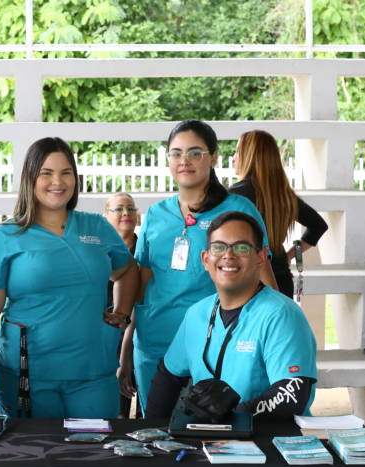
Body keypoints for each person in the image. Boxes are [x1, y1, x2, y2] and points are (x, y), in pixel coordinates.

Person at [0, 137, 138, 419]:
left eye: (66, 173)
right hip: (27, 373)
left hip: (93, 372)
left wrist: (121, 314)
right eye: (46, 173)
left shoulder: (95, 226)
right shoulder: (5, 236)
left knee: (95, 456)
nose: (57, 182)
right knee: (32, 457)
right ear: (30, 179)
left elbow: (127, 271)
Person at [122, 119, 275, 413]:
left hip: (216, 344)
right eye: (176, 153)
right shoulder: (156, 215)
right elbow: (142, 283)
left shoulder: (238, 210)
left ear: (214, 157)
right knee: (156, 434)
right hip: (154, 344)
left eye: (195, 152)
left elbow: (263, 279)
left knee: (214, 435)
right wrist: (128, 345)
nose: (184, 161)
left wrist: (275, 333)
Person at [146, 211, 317, 420]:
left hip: (270, 442)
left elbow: (292, 395)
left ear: (261, 257)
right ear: (205, 259)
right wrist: (153, 430)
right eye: (218, 247)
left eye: (241, 247)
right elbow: (168, 377)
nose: (228, 255)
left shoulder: (281, 314)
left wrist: (232, 418)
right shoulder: (197, 313)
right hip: (210, 441)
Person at [229, 130, 329, 298]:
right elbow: (318, 226)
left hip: (249, 281)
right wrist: (290, 255)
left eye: (238, 151)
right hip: (282, 277)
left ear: (249, 156)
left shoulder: (236, 195)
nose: (233, 157)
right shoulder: (283, 195)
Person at [102, 192, 142, 418]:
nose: (126, 213)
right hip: (107, 334)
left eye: (130, 208)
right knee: (116, 411)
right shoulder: (99, 250)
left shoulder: (144, 249)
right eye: (118, 209)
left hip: (138, 330)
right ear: (106, 215)